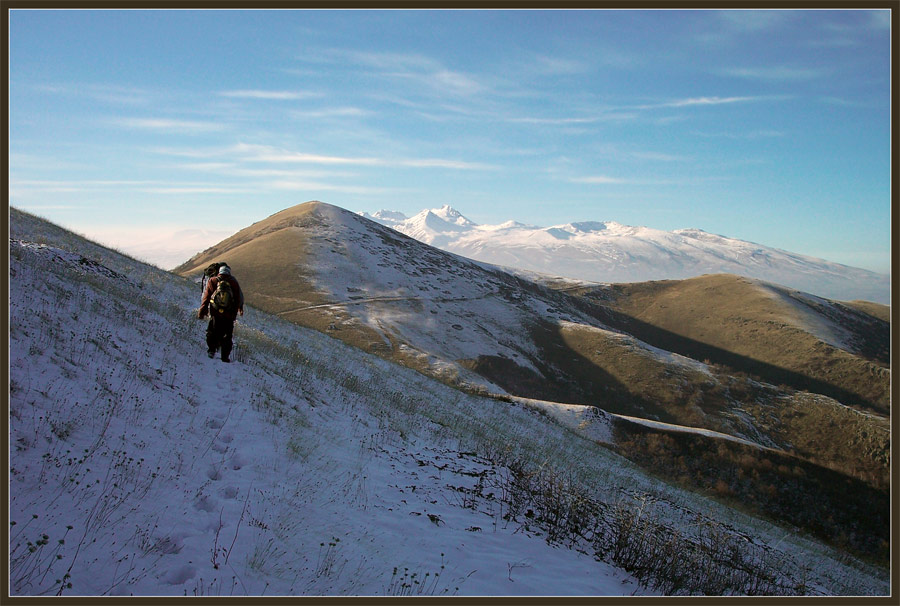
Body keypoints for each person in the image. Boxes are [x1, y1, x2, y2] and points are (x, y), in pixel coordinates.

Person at [197, 264, 244, 363]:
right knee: (227, 335)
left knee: (212, 331)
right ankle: (225, 357)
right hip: (229, 315)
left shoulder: (213, 280)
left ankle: (211, 350)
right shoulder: (233, 282)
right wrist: (238, 310)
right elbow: (238, 298)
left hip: (215, 312)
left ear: (219, 272)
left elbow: (206, 297)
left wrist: (202, 310)